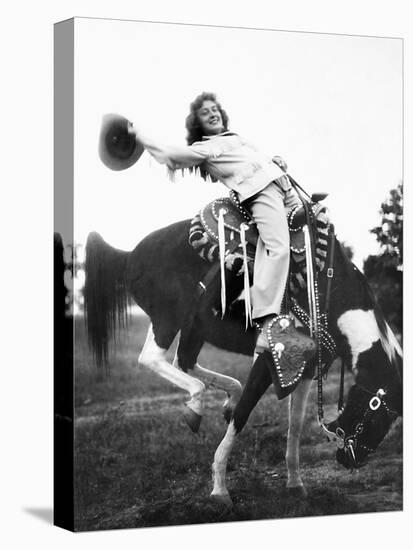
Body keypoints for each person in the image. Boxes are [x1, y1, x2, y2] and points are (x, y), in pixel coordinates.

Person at [128, 92, 302, 351]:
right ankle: (267, 326)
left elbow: (256, 161)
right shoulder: (205, 148)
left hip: (284, 189)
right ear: (198, 124)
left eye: (215, 108)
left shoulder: (237, 139)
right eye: (205, 112)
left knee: (311, 243)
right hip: (260, 193)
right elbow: (169, 156)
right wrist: (138, 135)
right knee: (278, 249)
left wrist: (274, 163)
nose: (212, 113)